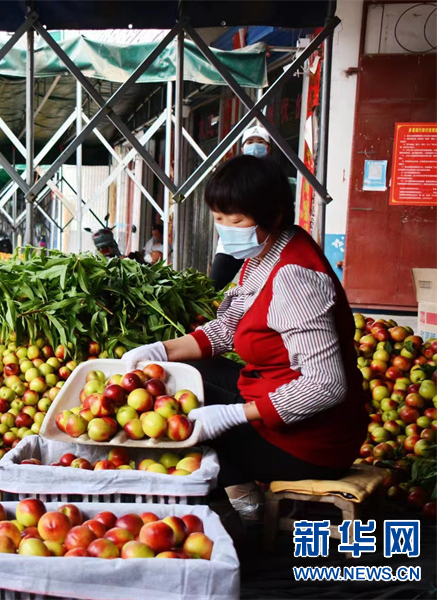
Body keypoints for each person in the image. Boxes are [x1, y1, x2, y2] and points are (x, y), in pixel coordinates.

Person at [123, 155, 366, 517]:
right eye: (219, 220)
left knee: (183, 434)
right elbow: (227, 328)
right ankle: (242, 492)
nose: (226, 230)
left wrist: (235, 415)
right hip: (268, 393)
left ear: (274, 216)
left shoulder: (294, 278)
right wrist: (160, 351)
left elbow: (326, 385)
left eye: (236, 221)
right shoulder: (266, 252)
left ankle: (244, 510)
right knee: (184, 376)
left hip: (308, 442)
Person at [208, 125, 273, 290]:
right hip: (230, 246)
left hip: (262, 244)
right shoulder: (232, 175)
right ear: (243, 148)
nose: (255, 145)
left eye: (260, 141)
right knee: (212, 291)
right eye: (250, 141)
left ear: (268, 147)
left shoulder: (273, 178)